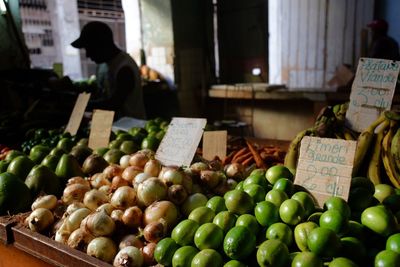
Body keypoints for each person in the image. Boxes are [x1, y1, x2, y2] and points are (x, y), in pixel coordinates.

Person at [71, 21, 146, 120]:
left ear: (101, 45)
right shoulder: (102, 66)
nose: (87, 55)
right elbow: (101, 93)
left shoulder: (124, 68)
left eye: (89, 48)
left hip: (131, 130)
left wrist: (78, 105)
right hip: (109, 127)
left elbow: (113, 104)